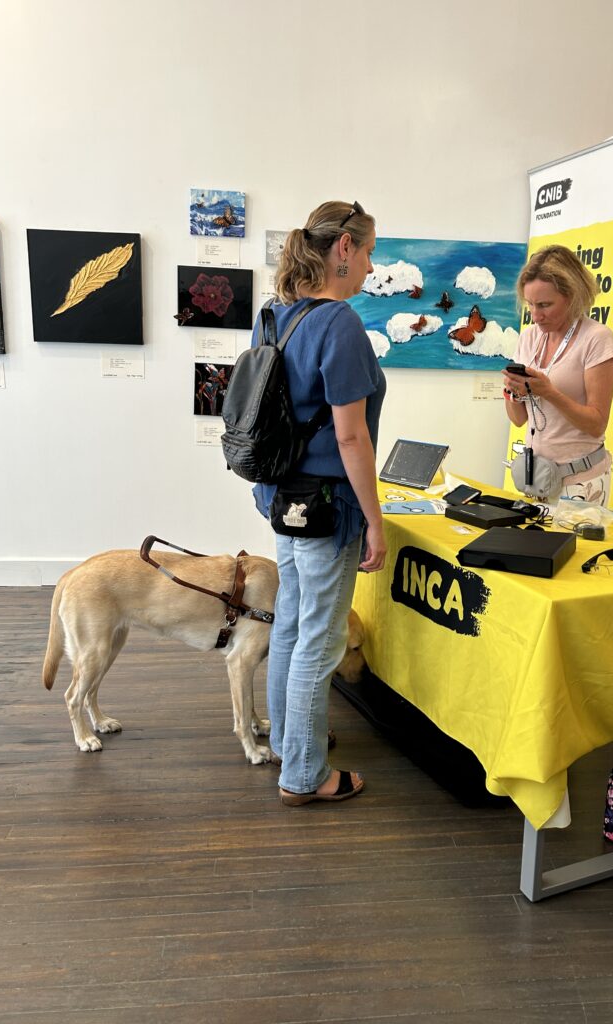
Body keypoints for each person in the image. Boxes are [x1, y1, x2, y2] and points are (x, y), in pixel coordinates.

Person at [252, 200, 386, 806]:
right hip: (329, 508)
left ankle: (288, 741)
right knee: (321, 641)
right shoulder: (340, 324)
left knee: (292, 625)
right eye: (369, 253)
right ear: (343, 249)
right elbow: (351, 437)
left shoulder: (274, 316)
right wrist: (376, 523)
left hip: (282, 498)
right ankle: (305, 775)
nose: (369, 268)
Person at [502, 245, 613, 506]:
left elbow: (597, 424)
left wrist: (549, 392)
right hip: (536, 479)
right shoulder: (529, 338)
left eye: (545, 305)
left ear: (573, 295)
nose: (536, 315)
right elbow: (519, 420)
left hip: (580, 482)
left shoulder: (596, 338)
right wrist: (512, 391)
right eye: (530, 305)